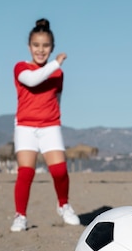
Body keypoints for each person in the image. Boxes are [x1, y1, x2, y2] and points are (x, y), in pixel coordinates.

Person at [10, 18, 80, 232]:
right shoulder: (21, 67)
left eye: (46, 46)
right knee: (26, 173)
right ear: (29, 46)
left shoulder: (58, 73)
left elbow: (56, 98)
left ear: (52, 47)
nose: (41, 50)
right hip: (25, 127)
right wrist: (55, 63)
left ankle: (63, 205)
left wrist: (55, 118)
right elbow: (32, 80)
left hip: (50, 125)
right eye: (36, 45)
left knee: (59, 171)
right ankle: (20, 215)